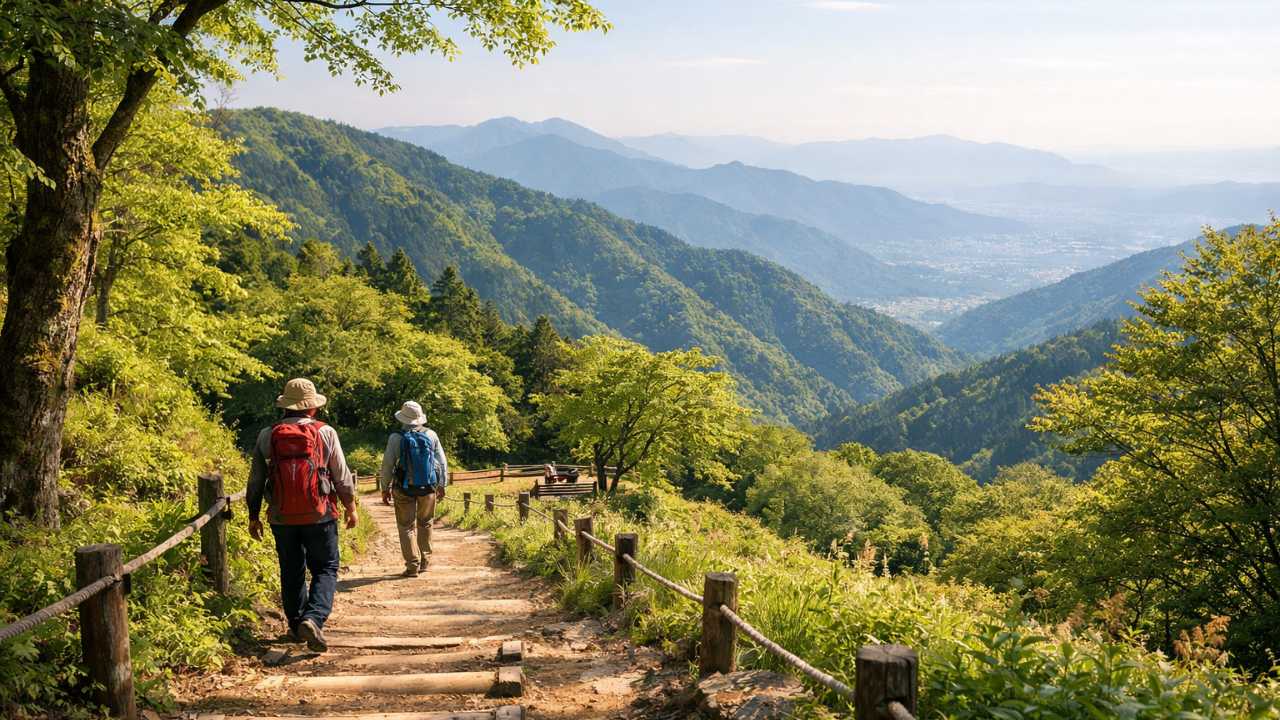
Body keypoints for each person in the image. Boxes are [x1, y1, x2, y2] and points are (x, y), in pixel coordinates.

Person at [247, 378, 356, 653]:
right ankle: (313, 618)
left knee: (291, 569)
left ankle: (297, 626)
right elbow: (342, 476)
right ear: (312, 408)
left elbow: (256, 480)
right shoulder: (326, 432)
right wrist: (350, 507)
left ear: (285, 406)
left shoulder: (267, 435)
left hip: (281, 517)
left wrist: (253, 515)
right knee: (326, 567)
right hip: (321, 514)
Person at [380, 400, 449, 577]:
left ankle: (412, 566)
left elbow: (387, 465)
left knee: (406, 526)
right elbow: (441, 461)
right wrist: (442, 484)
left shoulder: (396, 438)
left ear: (402, 418)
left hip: (404, 488)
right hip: (428, 487)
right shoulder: (431, 434)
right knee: (426, 522)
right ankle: (425, 561)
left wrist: (384, 488)